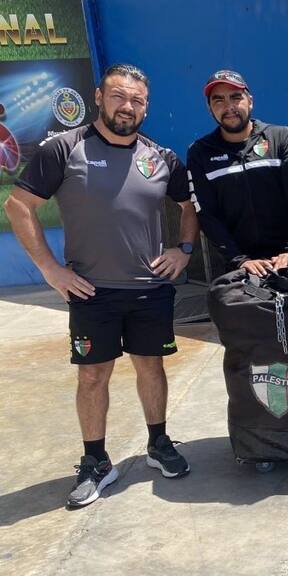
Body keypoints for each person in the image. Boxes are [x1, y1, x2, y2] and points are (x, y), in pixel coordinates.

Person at [3, 63, 199, 507]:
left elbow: (189, 207)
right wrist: (51, 270)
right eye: (118, 96)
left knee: (152, 368)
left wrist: (183, 250)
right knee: (93, 376)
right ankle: (96, 461)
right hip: (92, 292)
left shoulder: (161, 158)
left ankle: (159, 444)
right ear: (98, 96)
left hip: (150, 289)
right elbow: (19, 206)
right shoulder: (64, 149)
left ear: (145, 106)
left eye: (137, 100)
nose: (127, 106)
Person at [186, 69, 288, 276]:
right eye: (219, 100)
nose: (229, 107)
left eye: (236, 97)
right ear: (210, 109)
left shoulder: (280, 138)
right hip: (241, 269)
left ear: (250, 101)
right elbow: (207, 214)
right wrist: (239, 260)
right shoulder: (200, 153)